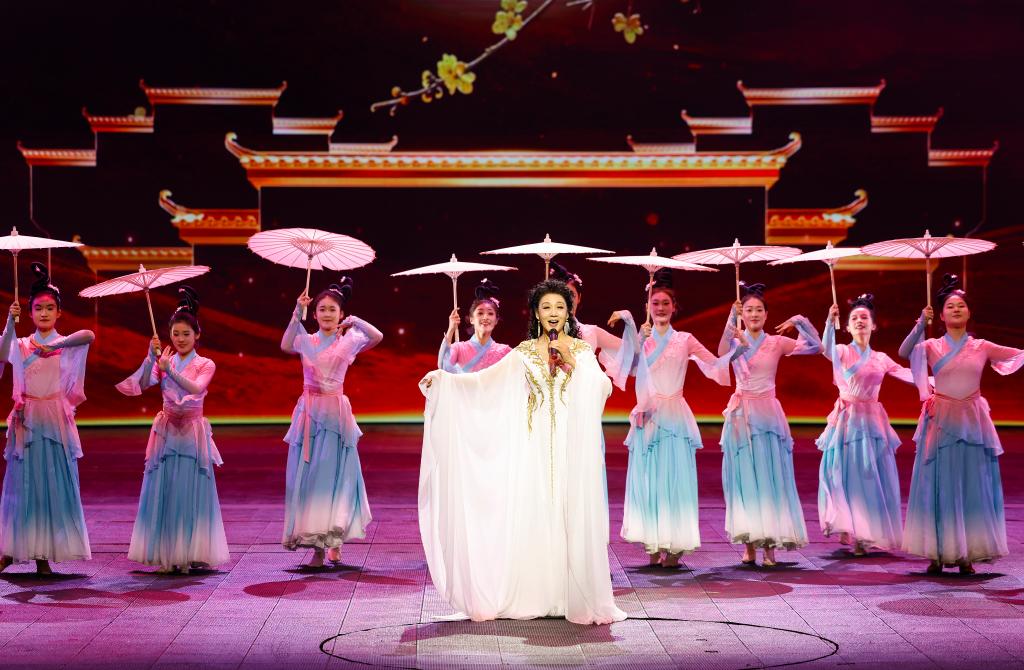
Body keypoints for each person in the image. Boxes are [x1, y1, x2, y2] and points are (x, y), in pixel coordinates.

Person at [419, 279, 626, 624]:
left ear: (568, 311)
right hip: (536, 444)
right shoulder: (524, 352)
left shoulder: (581, 350)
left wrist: (573, 366)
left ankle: (572, 592)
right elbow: (486, 381)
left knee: (570, 507)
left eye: (559, 306)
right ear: (536, 313)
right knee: (539, 508)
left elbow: (603, 387)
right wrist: (445, 381)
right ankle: (539, 592)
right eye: (546, 307)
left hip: (572, 442)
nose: (553, 313)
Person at [898, 274, 1023, 574]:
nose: (956, 309)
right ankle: (938, 552)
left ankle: (967, 552)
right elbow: (904, 352)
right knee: (939, 483)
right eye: (950, 306)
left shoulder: (981, 346)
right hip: (940, 420)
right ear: (941, 315)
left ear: (969, 312)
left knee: (971, 483)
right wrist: (920, 323)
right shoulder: (930, 345)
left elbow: (1018, 355)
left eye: (961, 306)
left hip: (972, 421)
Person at [623, 271, 740, 567]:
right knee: (649, 479)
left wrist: (733, 332)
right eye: (655, 303)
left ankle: (674, 543)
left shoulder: (685, 339)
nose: (660, 308)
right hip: (648, 415)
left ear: (674, 307)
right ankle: (651, 539)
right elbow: (629, 371)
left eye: (666, 303)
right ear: (648, 307)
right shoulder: (643, 339)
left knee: (675, 479)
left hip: (674, 416)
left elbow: (715, 364)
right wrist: (637, 342)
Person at [116, 286, 228, 574]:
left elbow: (196, 388)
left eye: (186, 334)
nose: (180, 339)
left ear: (197, 335)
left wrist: (170, 370)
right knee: (165, 490)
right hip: (167, 433)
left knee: (189, 489)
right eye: (175, 334)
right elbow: (142, 385)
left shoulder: (205, 364)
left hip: (191, 432)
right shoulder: (164, 360)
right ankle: (168, 553)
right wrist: (150, 359)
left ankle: (189, 553)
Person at [280, 277, 382, 567]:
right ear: (314, 314)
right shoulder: (306, 340)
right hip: (310, 414)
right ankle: (317, 547)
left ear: (340, 314)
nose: (327, 314)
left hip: (336, 415)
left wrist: (355, 320)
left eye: (332, 310)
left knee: (335, 477)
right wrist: (296, 311)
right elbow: (285, 345)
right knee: (311, 479)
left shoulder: (348, 341)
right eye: (322, 309)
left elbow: (377, 337)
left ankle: (333, 540)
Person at [718, 281, 821, 566]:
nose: (753, 314)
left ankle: (769, 546)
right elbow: (720, 351)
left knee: (768, 477)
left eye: (759, 310)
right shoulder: (735, 341)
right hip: (741, 415)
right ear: (743, 313)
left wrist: (799, 321)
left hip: (767, 415)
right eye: (748, 310)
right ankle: (749, 543)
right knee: (745, 479)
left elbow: (817, 347)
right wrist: (731, 316)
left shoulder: (776, 342)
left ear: (766, 314)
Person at [0, 263, 94, 575]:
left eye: (50, 308)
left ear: (59, 312)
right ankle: (12, 549)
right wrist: (10, 322)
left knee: (51, 485)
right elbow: (2, 353)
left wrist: (54, 345)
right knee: (23, 486)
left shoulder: (65, 344)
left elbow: (89, 335)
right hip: (27, 420)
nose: (44, 313)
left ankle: (43, 554)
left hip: (54, 422)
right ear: (29, 313)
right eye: (38, 308)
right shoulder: (21, 344)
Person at [816, 294, 916, 556]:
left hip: (871, 422)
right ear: (847, 326)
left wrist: (938, 381)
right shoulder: (842, 351)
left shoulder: (881, 358)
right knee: (842, 473)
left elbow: (907, 374)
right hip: (847, 420)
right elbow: (826, 350)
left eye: (864, 317)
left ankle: (864, 533)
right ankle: (848, 524)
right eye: (854, 318)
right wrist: (829, 322)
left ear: (874, 325)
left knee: (869, 475)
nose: (859, 321)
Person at [438, 279, 511, 373]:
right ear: (471, 319)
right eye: (480, 313)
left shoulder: (505, 351)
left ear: (496, 320)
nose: (485, 317)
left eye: (490, 313)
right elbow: (443, 366)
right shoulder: (459, 348)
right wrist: (451, 329)